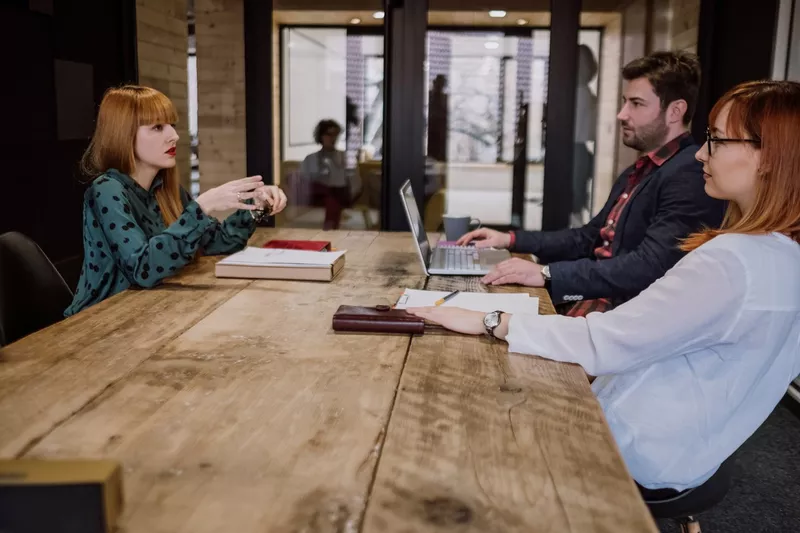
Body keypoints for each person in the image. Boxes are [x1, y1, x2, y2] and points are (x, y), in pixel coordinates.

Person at [409, 80, 800, 493]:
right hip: (692, 454)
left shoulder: (731, 261)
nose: (702, 153)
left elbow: (605, 343)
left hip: (632, 450)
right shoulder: (782, 256)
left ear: (769, 157)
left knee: (458, 406)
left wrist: (489, 319)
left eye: (716, 139)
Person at [458, 51, 725, 316]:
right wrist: (509, 239)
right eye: (624, 102)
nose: (622, 114)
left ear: (675, 111)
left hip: (620, 314)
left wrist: (547, 273)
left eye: (636, 104)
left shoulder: (689, 172)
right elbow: (587, 238)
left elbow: (649, 266)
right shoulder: (642, 169)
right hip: (595, 299)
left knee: (484, 319)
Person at [65, 85, 287, 316]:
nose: (174, 136)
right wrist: (202, 207)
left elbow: (220, 242)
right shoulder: (106, 190)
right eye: (157, 127)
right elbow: (143, 270)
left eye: (172, 125)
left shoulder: (166, 189)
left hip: (150, 310)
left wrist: (257, 206)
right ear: (124, 134)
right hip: (101, 319)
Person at [299, 119, 353, 230]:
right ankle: (331, 226)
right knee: (327, 193)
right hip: (317, 194)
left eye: (335, 134)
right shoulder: (311, 158)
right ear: (321, 136)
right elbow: (305, 180)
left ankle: (330, 227)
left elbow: (353, 181)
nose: (333, 138)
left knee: (333, 197)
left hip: (339, 192)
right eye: (329, 134)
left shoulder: (344, 157)